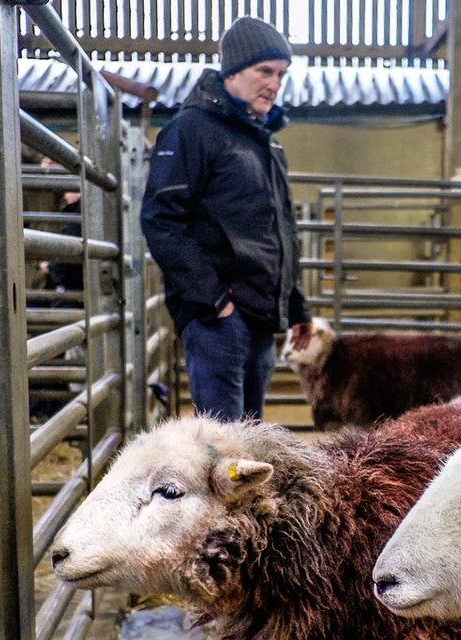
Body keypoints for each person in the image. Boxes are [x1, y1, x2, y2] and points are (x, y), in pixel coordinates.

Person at [140, 16, 312, 422]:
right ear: (232, 71)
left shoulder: (265, 144)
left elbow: (280, 230)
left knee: (248, 441)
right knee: (223, 445)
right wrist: (214, 303)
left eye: (280, 74)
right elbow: (162, 220)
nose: (273, 83)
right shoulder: (191, 130)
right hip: (219, 320)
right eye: (264, 71)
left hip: (259, 318)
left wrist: (296, 304)